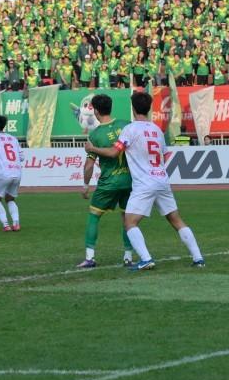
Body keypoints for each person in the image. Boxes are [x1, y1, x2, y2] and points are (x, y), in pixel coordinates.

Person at [85, 92, 204, 271]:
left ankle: (146, 259)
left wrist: (92, 148)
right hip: (162, 180)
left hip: (144, 183)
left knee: (129, 222)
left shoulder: (130, 129)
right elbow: (166, 155)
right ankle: (198, 258)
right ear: (148, 109)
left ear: (133, 108)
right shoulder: (156, 130)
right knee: (176, 220)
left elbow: (114, 152)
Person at [77, 94, 134, 268]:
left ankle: (90, 257)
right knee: (127, 218)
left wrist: (85, 186)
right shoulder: (126, 125)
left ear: (95, 110)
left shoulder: (95, 135)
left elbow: (89, 166)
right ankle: (128, 256)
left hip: (108, 182)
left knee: (94, 216)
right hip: (130, 181)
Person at [0, 115, 23, 232]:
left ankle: (5, 225)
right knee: (10, 199)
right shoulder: (13, 138)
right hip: (17, 172)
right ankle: (16, 223)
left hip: (3, 173)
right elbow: (22, 157)